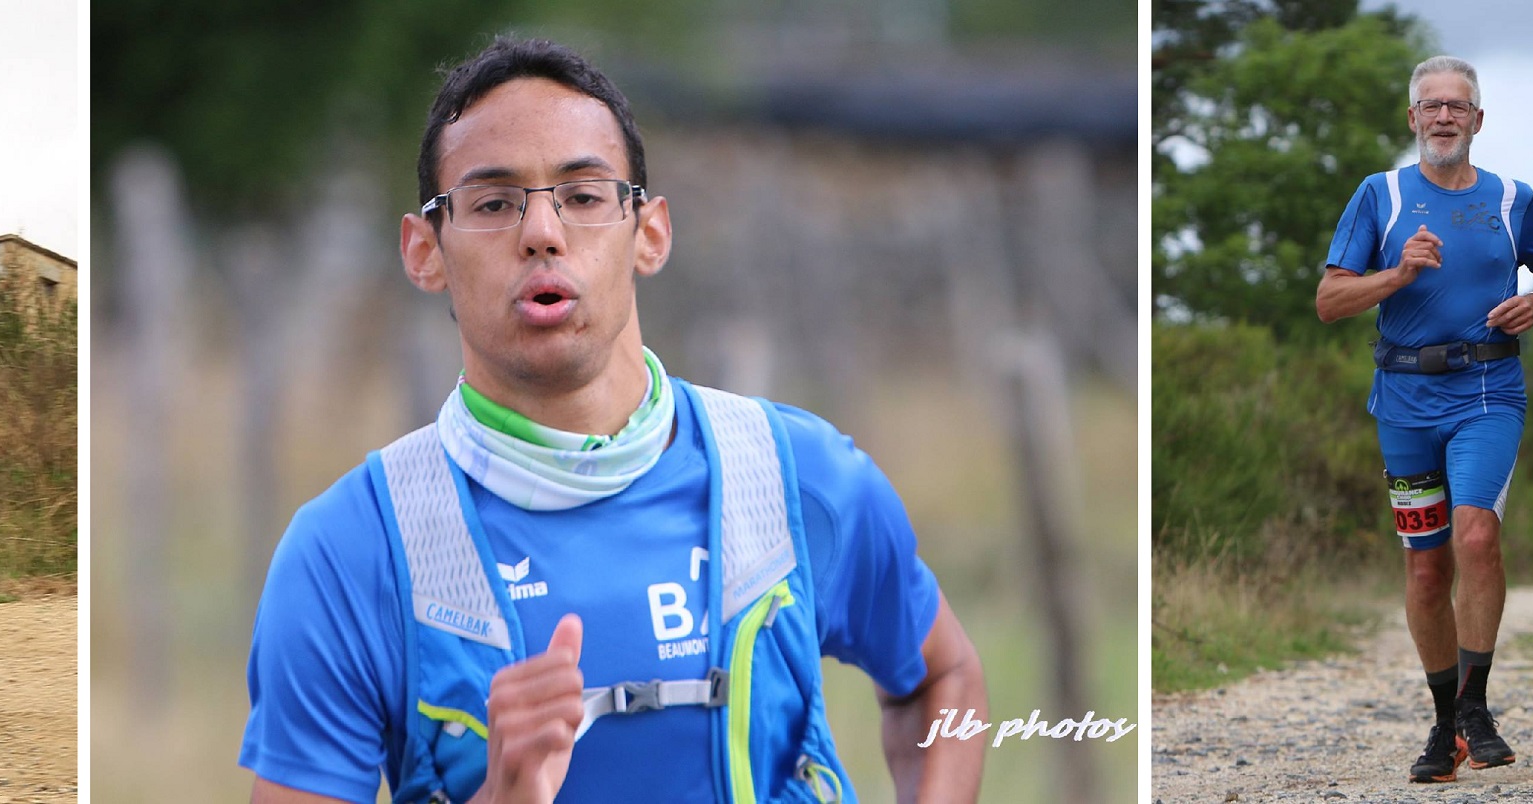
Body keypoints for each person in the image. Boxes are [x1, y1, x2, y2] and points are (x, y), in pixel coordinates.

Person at [240, 38, 989, 803]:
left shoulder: (800, 477)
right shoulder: (347, 553)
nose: (542, 233)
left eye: (585, 195)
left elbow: (945, 679)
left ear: (650, 231)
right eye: (494, 203)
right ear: (425, 250)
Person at [1314, 55, 1533, 785]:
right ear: (1412, 118)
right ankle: (1442, 724)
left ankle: (1475, 706)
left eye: (1456, 107)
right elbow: (1329, 300)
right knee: (1426, 568)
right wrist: (1396, 275)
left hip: (1488, 389)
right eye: (1430, 106)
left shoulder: (1512, 199)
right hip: (1402, 401)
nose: (1442, 117)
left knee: (1476, 532)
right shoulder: (1381, 196)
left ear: (1477, 120)